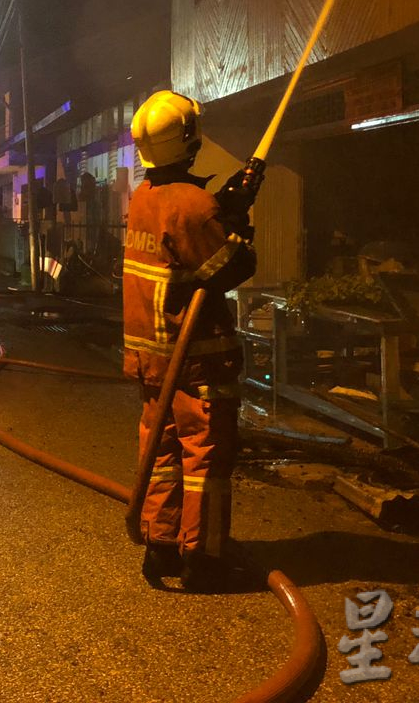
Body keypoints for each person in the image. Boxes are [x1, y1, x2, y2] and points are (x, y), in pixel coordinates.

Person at [124, 90, 257, 592]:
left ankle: (160, 547)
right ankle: (204, 557)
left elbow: (182, 246)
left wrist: (225, 205)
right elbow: (231, 266)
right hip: (195, 358)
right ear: (191, 140)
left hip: (150, 356)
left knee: (161, 452)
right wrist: (237, 221)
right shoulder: (194, 208)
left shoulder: (146, 198)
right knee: (205, 456)